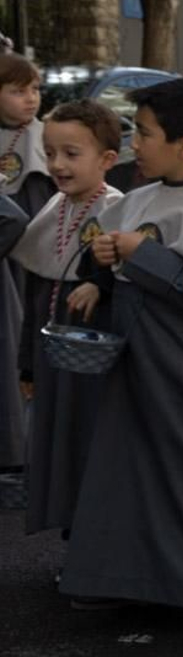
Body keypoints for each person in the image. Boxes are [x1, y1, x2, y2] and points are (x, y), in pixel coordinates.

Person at [59, 78, 183, 649]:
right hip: (133, 362)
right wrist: (99, 277)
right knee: (124, 467)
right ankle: (121, 576)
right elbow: (111, 263)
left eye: (144, 133)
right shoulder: (140, 196)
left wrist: (138, 252)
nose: (133, 143)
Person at [7, 101, 122, 539]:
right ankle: (73, 529)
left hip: (93, 365)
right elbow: (36, 296)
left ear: (107, 160)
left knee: (90, 445)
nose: (57, 164)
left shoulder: (117, 209)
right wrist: (28, 364)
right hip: (53, 357)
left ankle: (95, 535)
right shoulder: (54, 207)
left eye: (71, 154)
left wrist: (102, 284)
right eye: (50, 153)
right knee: (58, 443)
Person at [0, 53, 52, 503]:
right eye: (18, 90)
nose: (30, 99)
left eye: (34, 89)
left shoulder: (39, 140)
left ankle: (18, 453)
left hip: (25, 265)